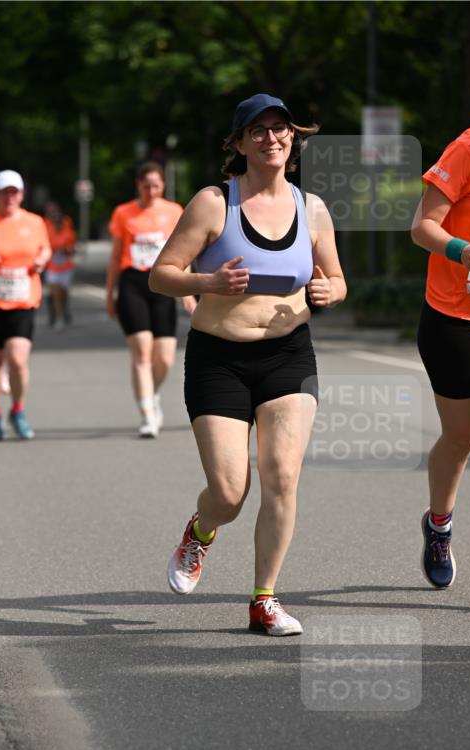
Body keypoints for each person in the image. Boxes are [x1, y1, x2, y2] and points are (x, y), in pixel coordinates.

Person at [149, 94, 346, 636]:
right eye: (256, 131)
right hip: (219, 358)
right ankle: (201, 531)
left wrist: (330, 291)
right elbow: (161, 274)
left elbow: (336, 279)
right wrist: (205, 281)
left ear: (293, 139)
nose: (271, 139)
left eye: (280, 129)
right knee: (231, 492)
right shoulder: (215, 204)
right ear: (237, 144)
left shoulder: (313, 209)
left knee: (282, 477)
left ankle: (265, 599)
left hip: (288, 353)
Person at [411, 71, 470, 588]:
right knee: (462, 438)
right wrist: (463, 251)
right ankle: (439, 524)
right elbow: (422, 227)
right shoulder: (469, 148)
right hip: (456, 316)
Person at [106, 161, 196, 438]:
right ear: (138, 186)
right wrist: (111, 292)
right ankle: (147, 413)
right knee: (142, 352)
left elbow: (184, 252)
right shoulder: (124, 213)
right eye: (146, 186)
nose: (151, 192)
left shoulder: (173, 211)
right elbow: (115, 254)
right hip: (133, 282)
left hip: (163, 285)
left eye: (156, 186)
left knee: (165, 357)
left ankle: (151, 393)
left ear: (163, 186)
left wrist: (188, 289)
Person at [0, 170, 50, 440]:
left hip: (23, 299)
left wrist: (41, 262)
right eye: (4, 192)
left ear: (22, 194)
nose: (9, 197)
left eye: (14, 191)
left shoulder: (35, 222)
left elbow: (45, 249)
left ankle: (18, 409)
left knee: (17, 359)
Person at [43, 201, 76, 330]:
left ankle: (64, 309)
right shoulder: (45, 225)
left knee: (64, 293)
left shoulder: (67, 223)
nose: (54, 216)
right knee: (54, 292)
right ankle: (57, 317)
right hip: (52, 265)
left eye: (56, 213)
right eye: (51, 213)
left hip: (66, 265)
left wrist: (68, 249)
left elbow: (73, 243)